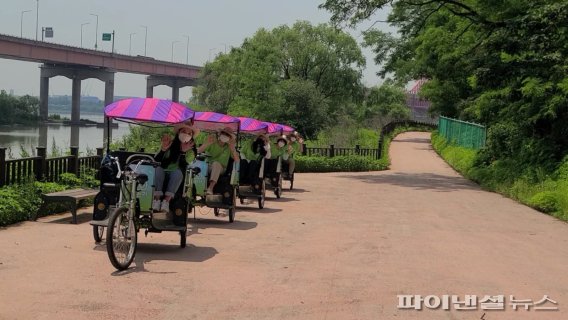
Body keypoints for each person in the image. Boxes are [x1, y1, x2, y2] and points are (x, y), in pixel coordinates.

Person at [152, 124, 198, 212]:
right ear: (178, 132)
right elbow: (157, 160)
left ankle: (166, 201)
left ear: (191, 136)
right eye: (184, 132)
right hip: (164, 169)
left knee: (177, 173)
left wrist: (183, 152)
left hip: (177, 172)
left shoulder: (191, 149)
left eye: (189, 133)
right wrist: (163, 149)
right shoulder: (170, 143)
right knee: (157, 170)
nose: (186, 134)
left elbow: (184, 164)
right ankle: (157, 200)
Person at [197, 128, 240, 195]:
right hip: (208, 166)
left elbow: (237, 161)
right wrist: (206, 144)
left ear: (229, 138)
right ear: (220, 134)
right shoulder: (212, 142)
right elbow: (198, 151)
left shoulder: (229, 147)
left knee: (216, 164)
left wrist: (233, 149)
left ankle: (210, 188)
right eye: (223, 133)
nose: (225, 135)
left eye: (227, 135)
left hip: (221, 168)